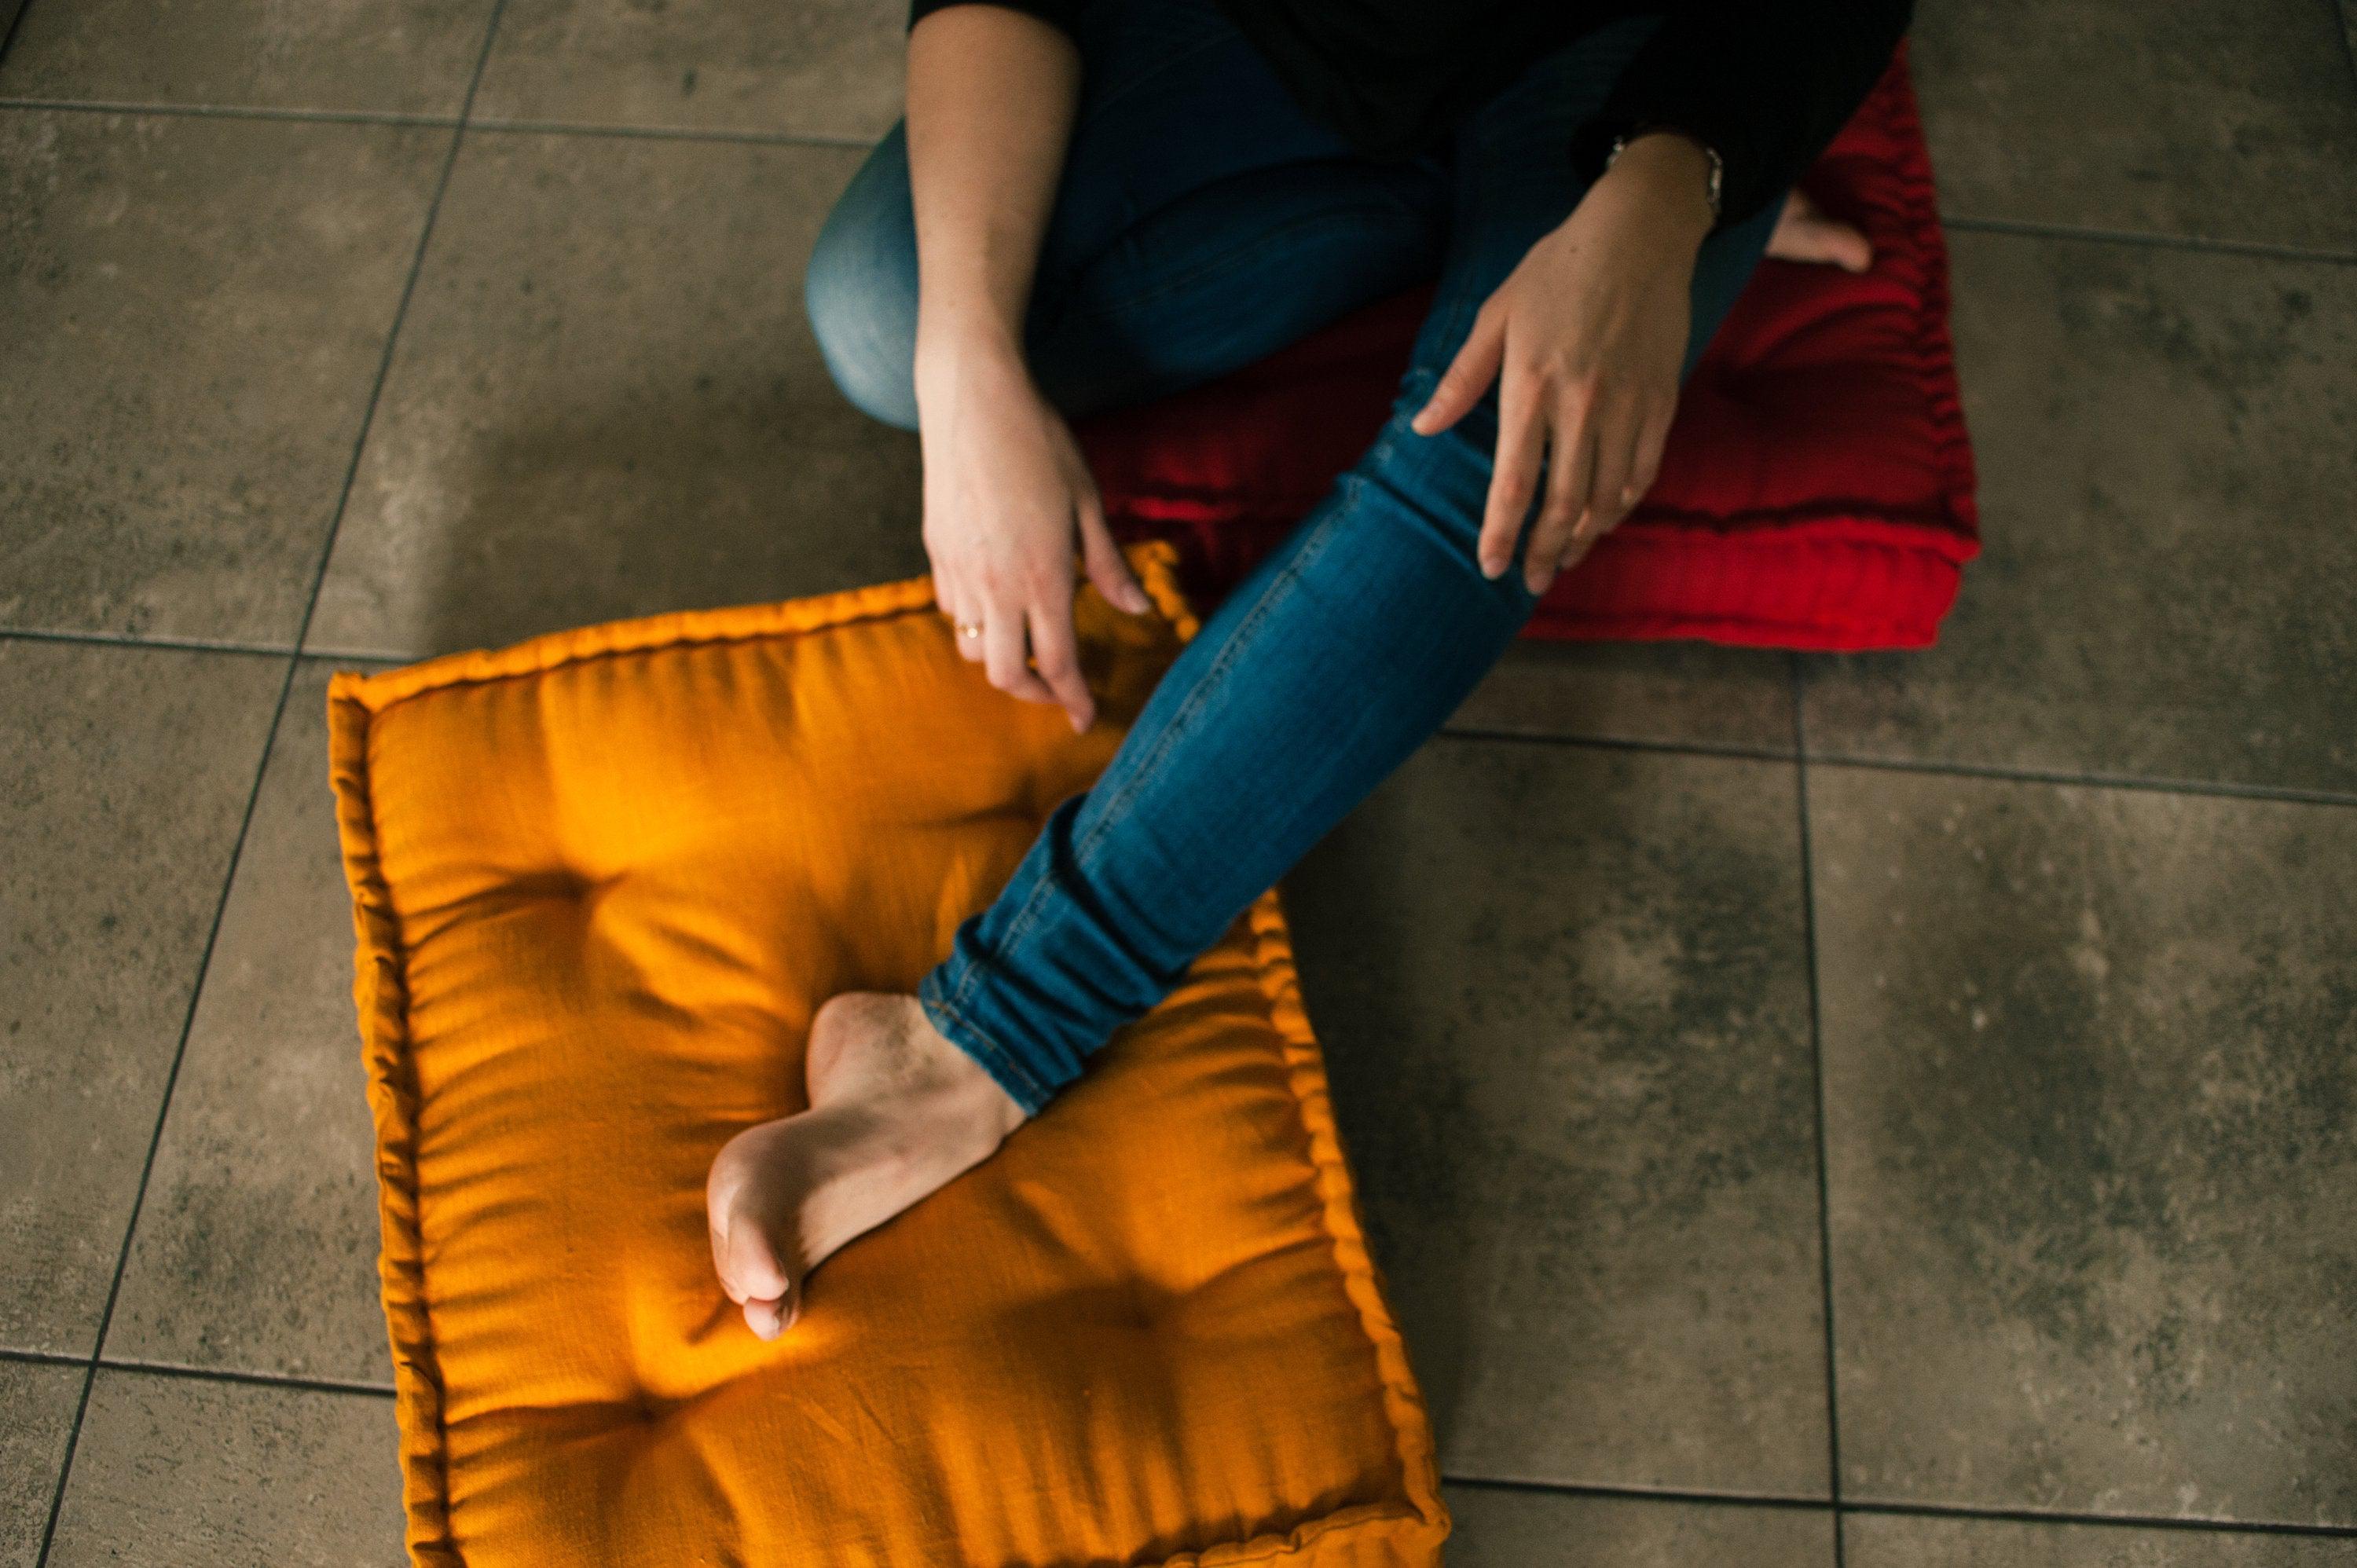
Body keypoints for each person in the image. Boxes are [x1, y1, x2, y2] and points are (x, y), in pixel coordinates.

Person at [707, 0, 1911, 1339]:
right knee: (885, 316)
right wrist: (967, 360)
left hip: (1633, 41)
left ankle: (965, 1055)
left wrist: (1677, 179)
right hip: (1322, 40)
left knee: (1510, 461)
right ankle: (1487, 214)